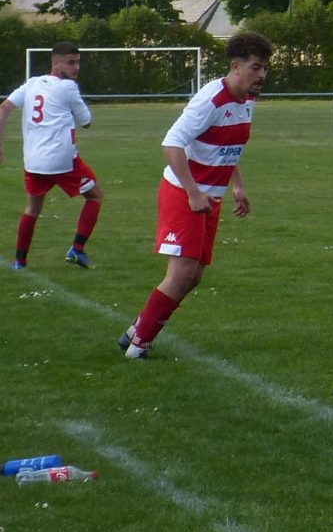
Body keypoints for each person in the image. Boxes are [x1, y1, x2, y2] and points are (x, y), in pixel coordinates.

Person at [118, 33, 273, 359]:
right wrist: (192, 191)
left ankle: (137, 329)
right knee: (183, 273)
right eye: (256, 67)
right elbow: (171, 143)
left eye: (265, 68)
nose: (261, 75)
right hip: (183, 193)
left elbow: (227, 147)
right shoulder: (210, 100)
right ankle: (138, 346)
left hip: (208, 198)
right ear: (235, 66)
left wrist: (237, 185)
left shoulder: (246, 100)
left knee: (194, 275)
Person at [0, 41, 103, 269]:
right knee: (95, 196)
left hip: (33, 162)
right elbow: (86, 122)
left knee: (32, 209)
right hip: (62, 161)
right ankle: (76, 249)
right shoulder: (68, 88)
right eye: (71, 62)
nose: (76, 67)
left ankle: (19, 261)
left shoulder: (32, 83)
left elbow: (4, 108)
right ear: (56, 64)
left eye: (77, 62)